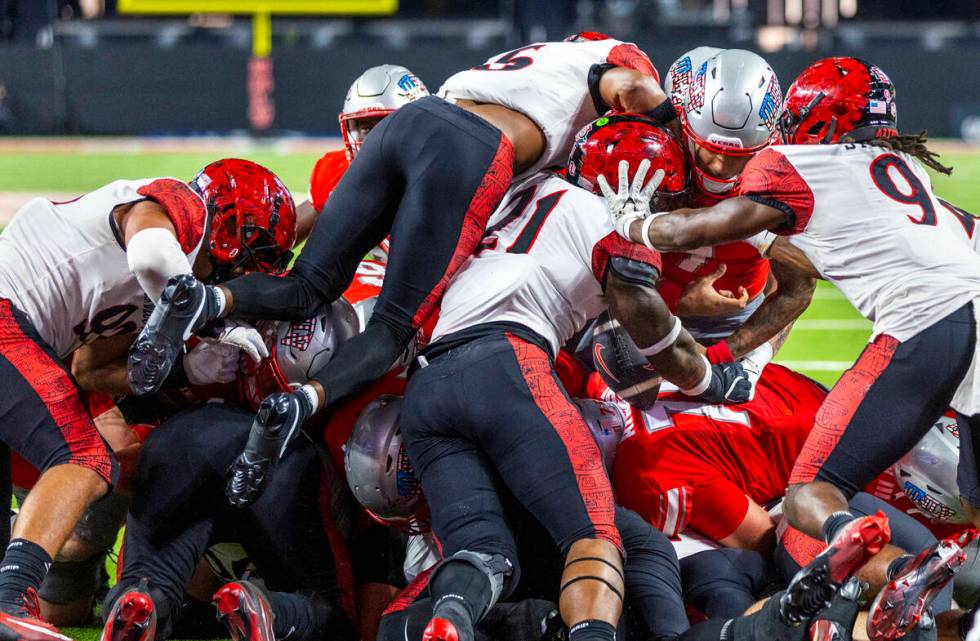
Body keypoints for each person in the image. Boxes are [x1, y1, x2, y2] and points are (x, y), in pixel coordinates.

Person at [127, 34, 677, 479]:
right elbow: (631, 88)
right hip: (473, 152)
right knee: (393, 330)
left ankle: (199, 299)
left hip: (417, 122)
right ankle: (300, 404)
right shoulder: (609, 77)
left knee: (306, 285)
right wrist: (674, 130)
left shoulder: (542, 60)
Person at [604, 56, 980, 640]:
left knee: (812, 499)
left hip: (923, 326)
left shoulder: (792, 164)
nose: (724, 161)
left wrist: (631, 222)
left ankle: (904, 573)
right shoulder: (907, 168)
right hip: (968, 311)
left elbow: (696, 232)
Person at [0, 158, 294, 640]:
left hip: (22, 334)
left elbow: (89, 368)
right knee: (84, 457)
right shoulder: (178, 207)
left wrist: (184, 368)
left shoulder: (161, 291)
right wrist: (211, 320)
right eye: (253, 255)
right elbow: (153, 258)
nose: (245, 275)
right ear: (230, 229)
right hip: (8, 319)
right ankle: (12, 597)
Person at [101, 310, 358, 641]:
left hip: (181, 435)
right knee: (332, 613)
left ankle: (142, 598)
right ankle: (269, 608)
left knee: (146, 580)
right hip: (280, 457)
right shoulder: (350, 401)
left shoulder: (229, 332)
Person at [658, 48, 815, 371]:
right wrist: (674, 299)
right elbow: (601, 272)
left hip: (739, 319)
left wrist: (751, 360)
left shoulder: (782, 171)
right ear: (681, 125)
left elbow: (794, 287)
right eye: (709, 149)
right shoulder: (653, 147)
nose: (722, 168)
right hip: (647, 311)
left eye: (741, 155)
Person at [296, 64, 430, 240]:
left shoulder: (444, 177)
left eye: (385, 126)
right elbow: (282, 238)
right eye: (366, 128)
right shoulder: (338, 175)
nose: (375, 140)